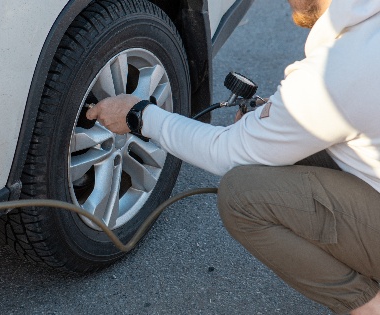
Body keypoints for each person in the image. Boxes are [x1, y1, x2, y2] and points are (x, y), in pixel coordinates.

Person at [86, 0, 380, 314]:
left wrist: (139, 115)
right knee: (291, 149)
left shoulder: (334, 73)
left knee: (243, 195)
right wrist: (273, 123)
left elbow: (226, 153)